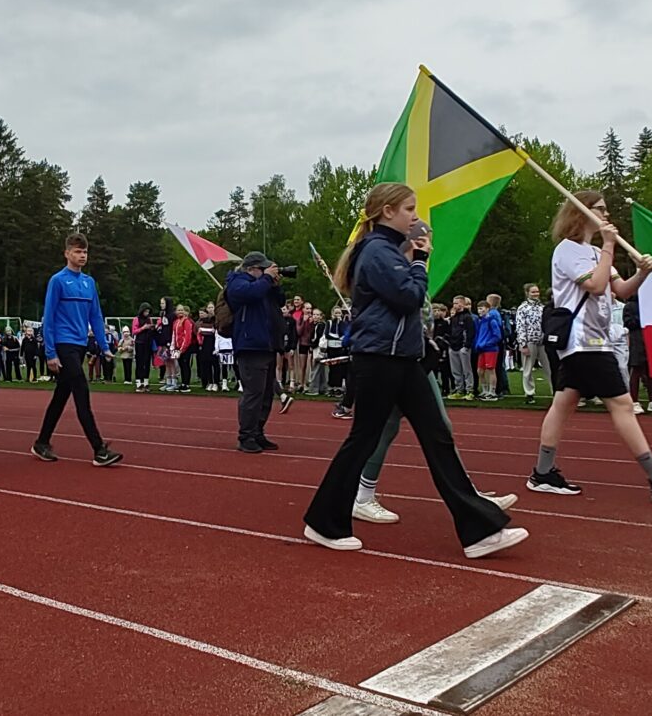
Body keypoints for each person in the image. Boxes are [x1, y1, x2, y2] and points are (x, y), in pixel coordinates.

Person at [303, 183, 527, 559]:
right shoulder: (377, 250)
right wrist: (420, 261)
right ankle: (325, 522)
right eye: (409, 209)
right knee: (363, 440)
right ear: (387, 211)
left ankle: (480, 530)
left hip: (401, 359)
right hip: (381, 359)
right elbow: (408, 297)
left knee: (437, 437)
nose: (415, 216)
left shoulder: (386, 250)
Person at [528, 190, 652, 502]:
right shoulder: (567, 250)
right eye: (600, 209)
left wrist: (641, 273)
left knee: (563, 404)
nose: (606, 215)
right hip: (584, 341)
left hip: (594, 339)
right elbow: (596, 286)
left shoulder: (596, 252)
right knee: (622, 405)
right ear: (581, 212)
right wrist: (609, 245)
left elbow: (620, 291)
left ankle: (542, 473)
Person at [33, 232, 122, 467]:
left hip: (81, 344)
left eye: (84, 252)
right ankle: (99, 449)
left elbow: (96, 316)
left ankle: (41, 442)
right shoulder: (58, 281)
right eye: (77, 251)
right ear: (67, 253)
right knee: (81, 390)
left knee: (61, 396)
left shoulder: (89, 283)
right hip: (63, 344)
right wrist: (50, 353)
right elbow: (49, 317)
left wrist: (105, 346)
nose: (82, 256)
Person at [226, 252, 288, 452]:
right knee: (254, 393)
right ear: (251, 268)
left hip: (267, 344)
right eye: (263, 269)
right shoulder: (237, 282)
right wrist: (267, 279)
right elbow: (250, 294)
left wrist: (275, 285)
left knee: (266, 393)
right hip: (250, 344)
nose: (267, 272)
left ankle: (257, 432)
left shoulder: (262, 285)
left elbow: (280, 302)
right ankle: (246, 436)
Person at [515, 284, 547, 403]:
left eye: (537, 291)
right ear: (527, 293)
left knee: (549, 367)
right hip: (529, 341)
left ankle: (555, 391)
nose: (536, 294)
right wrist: (523, 344)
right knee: (528, 368)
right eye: (533, 292)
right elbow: (520, 326)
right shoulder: (523, 308)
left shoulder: (542, 307)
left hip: (543, 341)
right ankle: (529, 393)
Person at [474, 297, 504, 400]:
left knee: (490, 369)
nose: (480, 311)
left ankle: (492, 392)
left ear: (487, 309)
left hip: (490, 349)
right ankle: (485, 390)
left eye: (481, 308)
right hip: (481, 348)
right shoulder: (481, 321)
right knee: (480, 370)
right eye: (478, 309)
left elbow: (497, 336)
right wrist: (478, 344)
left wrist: (487, 343)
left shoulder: (492, 321)